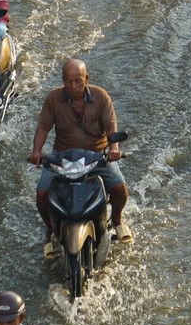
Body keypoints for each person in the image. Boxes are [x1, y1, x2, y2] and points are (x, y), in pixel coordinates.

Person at [29, 58, 131, 254]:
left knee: (119, 187)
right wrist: (36, 152)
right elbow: (43, 128)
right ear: (63, 80)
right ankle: (50, 230)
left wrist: (114, 149)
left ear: (86, 78)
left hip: (96, 156)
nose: (73, 86)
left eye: (78, 81)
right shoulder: (53, 98)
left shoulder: (101, 97)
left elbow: (111, 128)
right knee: (42, 193)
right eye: (68, 81)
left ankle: (117, 219)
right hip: (62, 157)